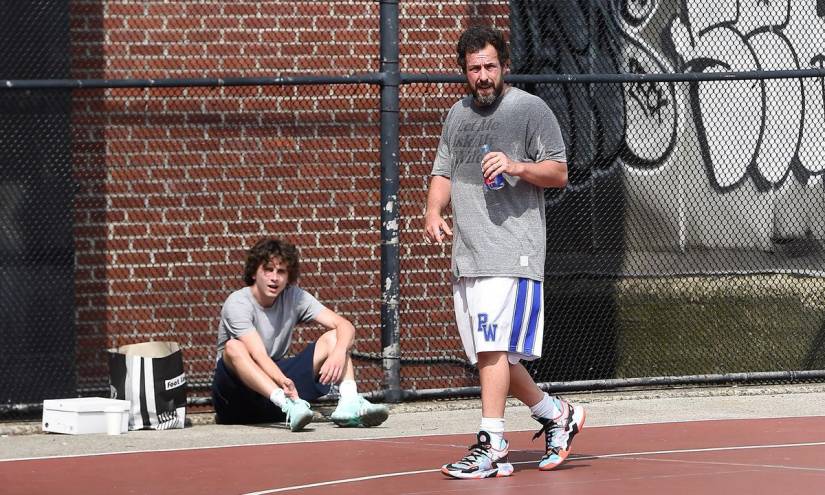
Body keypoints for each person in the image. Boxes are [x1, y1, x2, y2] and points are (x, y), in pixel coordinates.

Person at [423, 25, 585, 479]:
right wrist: (434, 211)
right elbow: (443, 171)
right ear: (464, 72)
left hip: (512, 252)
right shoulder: (456, 116)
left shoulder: (529, 110)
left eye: (490, 66)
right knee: (491, 360)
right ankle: (557, 414)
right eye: (474, 69)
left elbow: (559, 173)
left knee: (494, 351)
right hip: (468, 256)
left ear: (505, 67)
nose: (483, 76)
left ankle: (491, 443)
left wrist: (515, 165)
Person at [211, 237, 389, 431]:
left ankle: (349, 403)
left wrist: (338, 352)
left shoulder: (294, 296)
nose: (274, 277)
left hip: (274, 393)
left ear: (288, 277)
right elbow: (258, 355)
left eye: (281, 272)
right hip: (237, 399)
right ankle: (289, 404)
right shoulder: (237, 303)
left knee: (335, 338)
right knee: (233, 346)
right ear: (254, 272)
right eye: (268, 269)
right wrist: (284, 385)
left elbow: (344, 325)